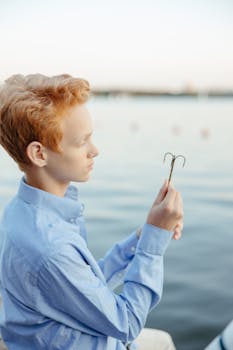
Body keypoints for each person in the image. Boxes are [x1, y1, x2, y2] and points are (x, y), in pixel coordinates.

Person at [0, 74, 183, 350]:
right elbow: (127, 324)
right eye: (81, 142)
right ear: (39, 154)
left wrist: (142, 238)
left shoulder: (21, 211)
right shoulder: (51, 248)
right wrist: (153, 246)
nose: (94, 151)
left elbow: (83, 283)